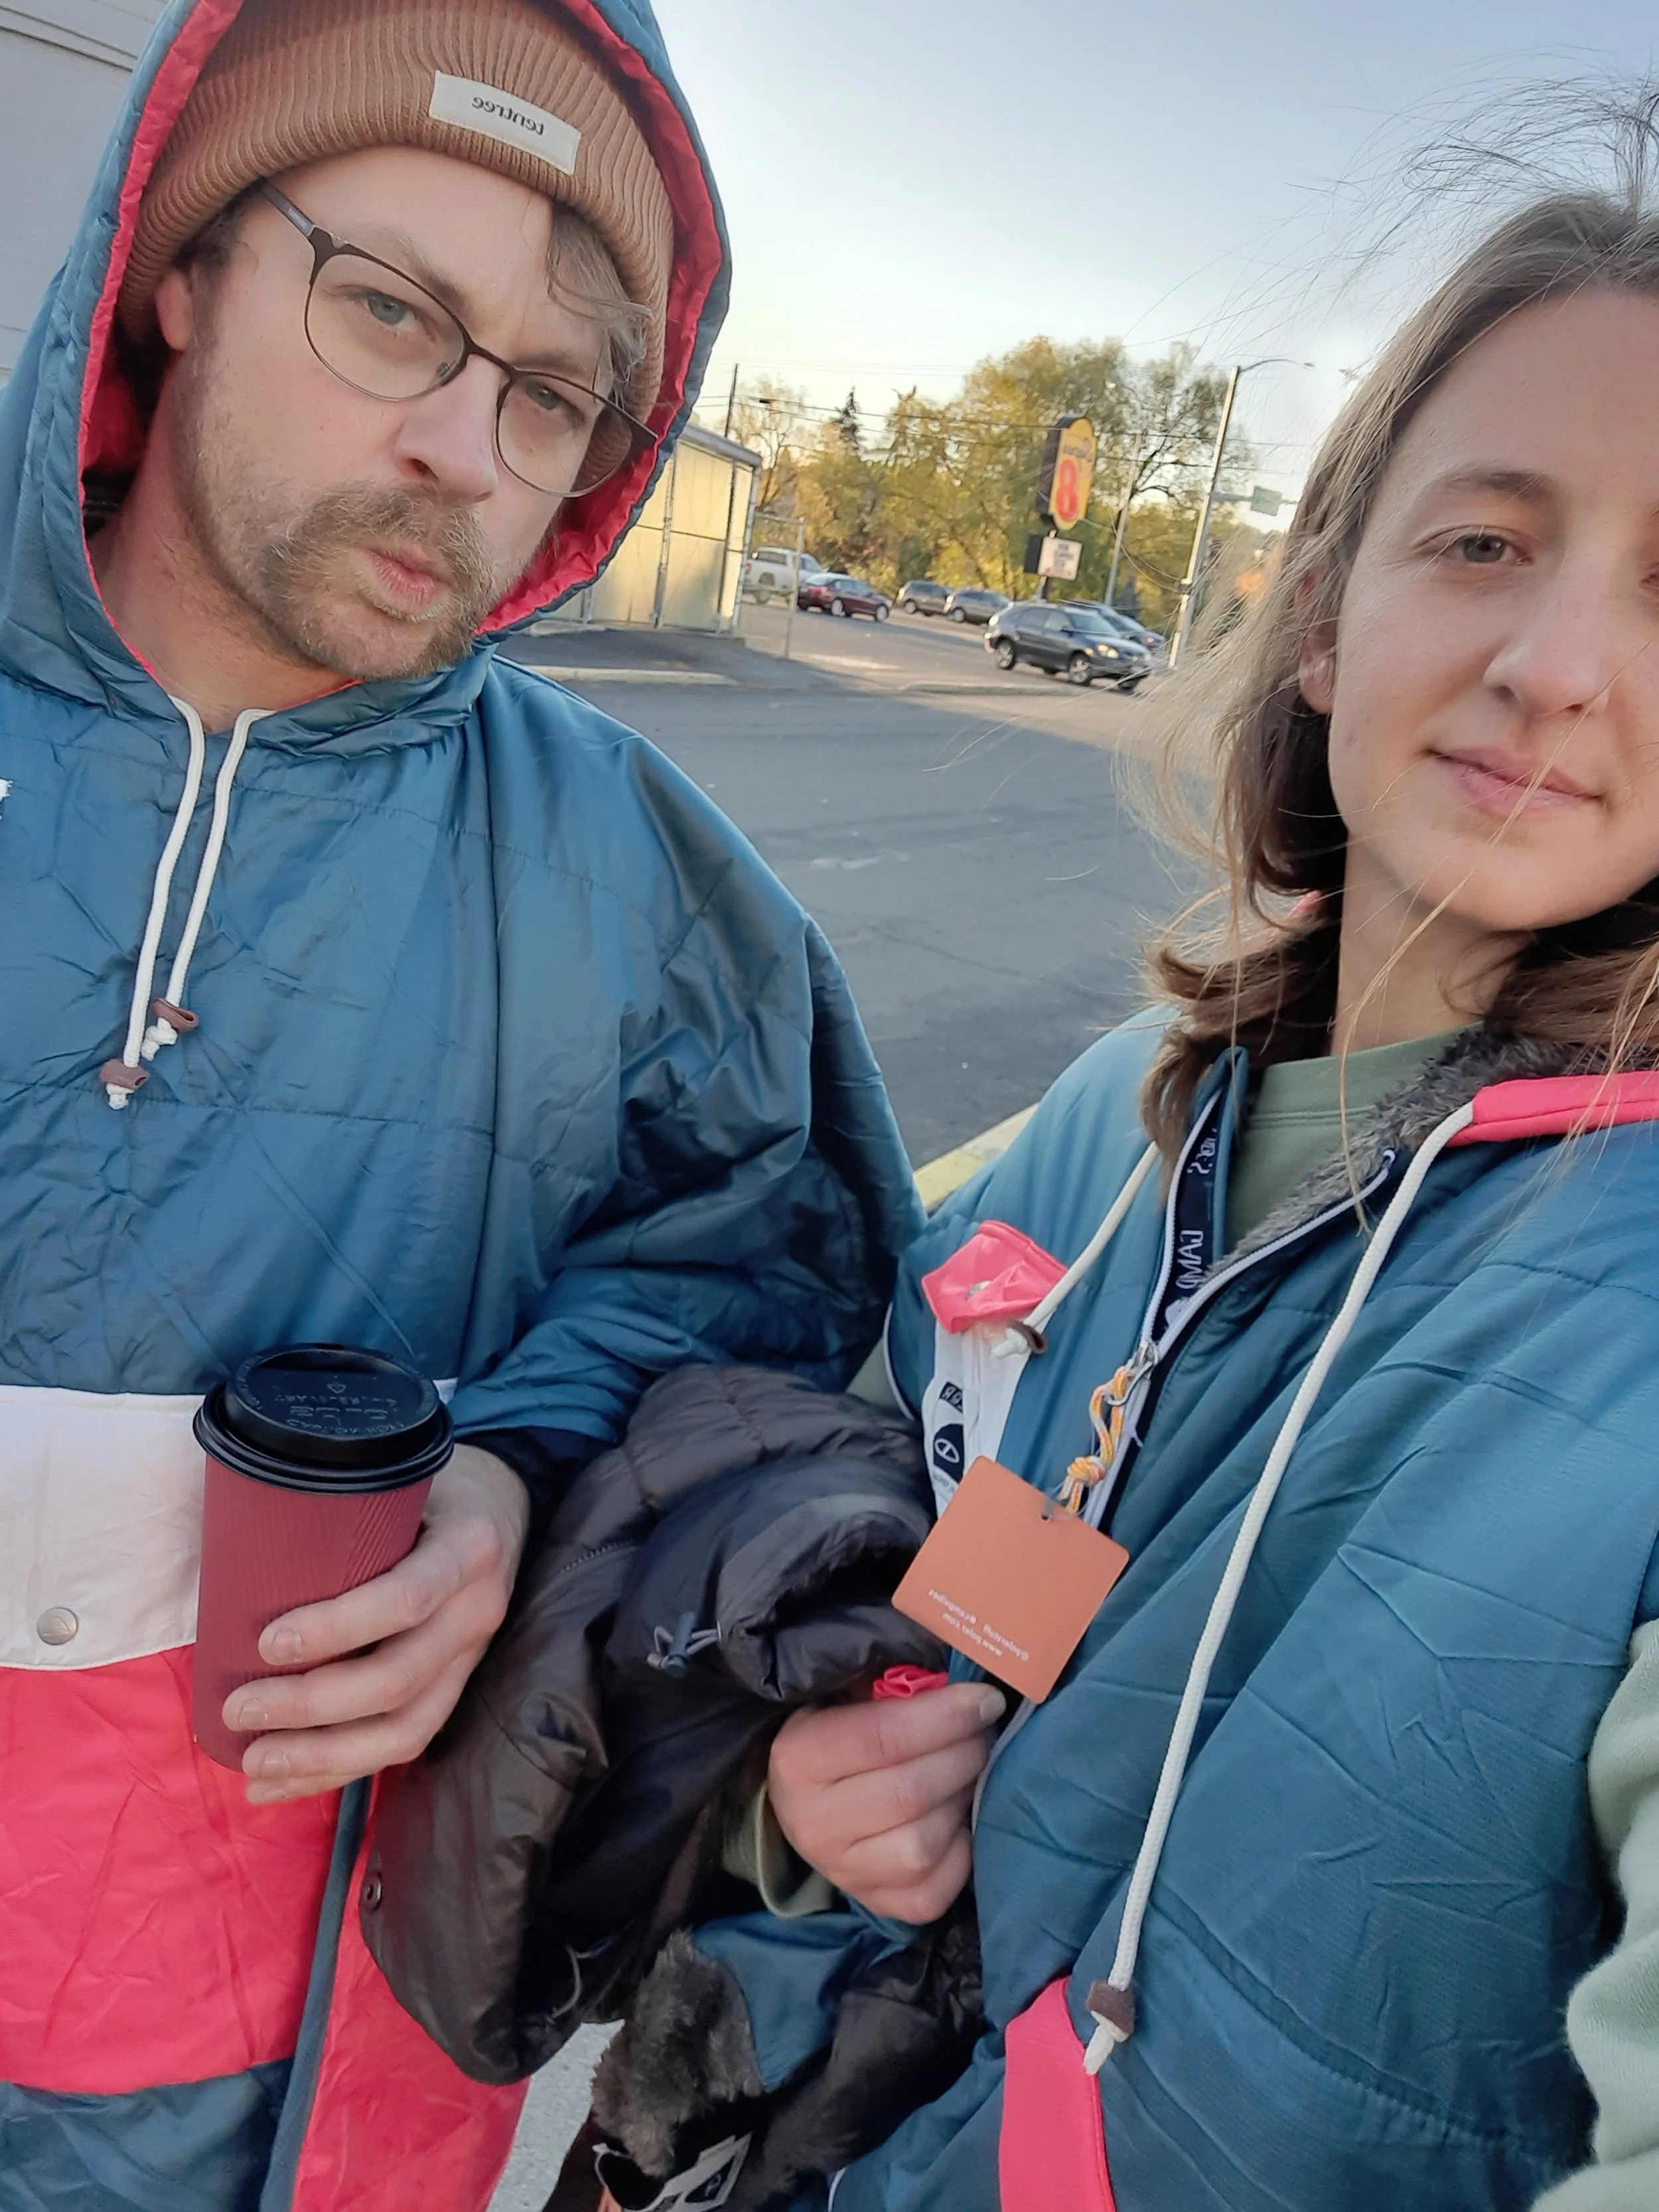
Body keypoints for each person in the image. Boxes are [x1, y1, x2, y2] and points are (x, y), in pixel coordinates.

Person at [588, 157, 1659, 2212]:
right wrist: (794, 1787)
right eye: (1484, 539)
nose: (1554, 664)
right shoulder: (1112, 1122)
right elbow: (842, 1513)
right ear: (1323, 618)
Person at [0, 1, 920, 2207]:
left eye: (547, 392)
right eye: (392, 311)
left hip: (301, 2060)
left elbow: (754, 1275)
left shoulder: (641, 869)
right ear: (181, 265)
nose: (462, 452)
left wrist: (516, 1467)